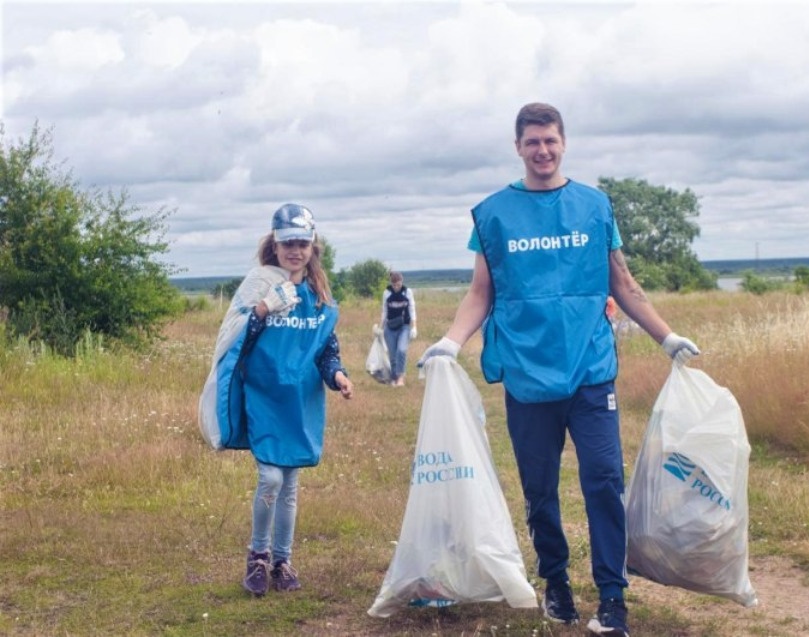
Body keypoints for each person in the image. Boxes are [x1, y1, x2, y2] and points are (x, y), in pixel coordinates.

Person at [418, 103, 699, 637]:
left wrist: (667, 337)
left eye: (550, 141)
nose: (542, 151)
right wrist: (451, 342)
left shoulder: (594, 207)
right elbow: (482, 291)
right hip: (527, 375)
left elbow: (623, 283)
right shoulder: (493, 214)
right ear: (518, 147)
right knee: (540, 490)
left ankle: (613, 597)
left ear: (563, 142)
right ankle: (557, 584)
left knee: (603, 481)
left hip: (590, 373)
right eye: (532, 143)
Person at [205, 203, 354, 597]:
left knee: (289, 485)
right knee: (270, 477)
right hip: (265, 397)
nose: (295, 250)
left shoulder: (318, 296)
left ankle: (282, 562)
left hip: (300, 401)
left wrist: (337, 376)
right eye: (288, 242)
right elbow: (239, 341)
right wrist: (262, 308)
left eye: (302, 243)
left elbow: (326, 350)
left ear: (313, 246)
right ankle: (258, 556)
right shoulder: (260, 286)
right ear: (275, 244)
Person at [378, 271, 417, 386]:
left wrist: (414, 327)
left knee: (401, 350)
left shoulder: (407, 292)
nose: (396, 287)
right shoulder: (387, 293)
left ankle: (401, 377)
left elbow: (412, 310)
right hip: (390, 327)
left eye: (398, 284)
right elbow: (384, 311)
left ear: (402, 282)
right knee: (393, 354)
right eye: (394, 285)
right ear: (391, 283)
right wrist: (381, 328)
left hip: (404, 326)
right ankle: (394, 378)